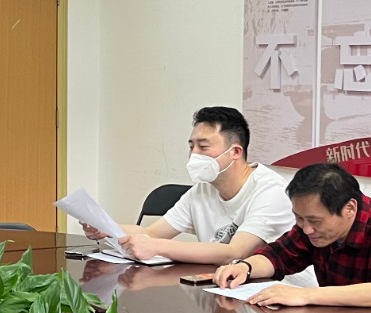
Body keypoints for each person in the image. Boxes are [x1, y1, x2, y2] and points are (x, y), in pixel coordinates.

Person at [212, 162, 371, 313]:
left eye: (315, 221)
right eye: (299, 218)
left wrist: (304, 295)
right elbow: (278, 255)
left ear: (349, 208)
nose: (307, 229)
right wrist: (245, 267)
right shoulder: (313, 227)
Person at [96, 107, 297, 264]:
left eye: (203, 146)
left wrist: (157, 247)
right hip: (222, 284)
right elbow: (152, 233)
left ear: (235, 152)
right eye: (191, 146)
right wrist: (105, 227)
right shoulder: (203, 189)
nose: (194, 154)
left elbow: (234, 253)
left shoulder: (270, 191)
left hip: (278, 291)